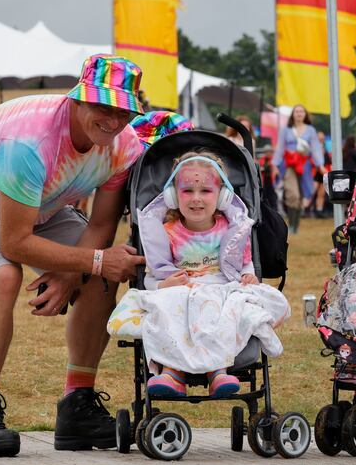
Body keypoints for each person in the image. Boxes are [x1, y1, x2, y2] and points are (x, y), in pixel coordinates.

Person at [0, 54, 147, 457]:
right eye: (103, 107)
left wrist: (76, 272)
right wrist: (88, 261)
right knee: (3, 275)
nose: (113, 120)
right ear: (78, 100)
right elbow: (15, 243)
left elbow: (99, 228)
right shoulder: (31, 139)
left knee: (103, 275)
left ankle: (78, 406)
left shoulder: (123, 147)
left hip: (36, 203)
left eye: (124, 111)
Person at [107, 151, 290, 397]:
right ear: (172, 196)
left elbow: (243, 263)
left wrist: (248, 276)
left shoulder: (232, 231)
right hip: (182, 291)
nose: (196, 199)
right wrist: (164, 285)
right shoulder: (166, 233)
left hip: (220, 287)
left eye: (205, 191)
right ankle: (172, 372)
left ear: (223, 196)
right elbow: (153, 274)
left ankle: (217, 370)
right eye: (187, 191)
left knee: (222, 308)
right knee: (168, 305)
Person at [271, 104, 324, 234]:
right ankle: (291, 225)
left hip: (304, 165)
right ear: (293, 114)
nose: (299, 114)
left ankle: (296, 226)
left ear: (305, 114)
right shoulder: (286, 130)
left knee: (302, 195)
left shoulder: (310, 130)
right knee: (292, 194)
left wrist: (320, 165)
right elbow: (280, 147)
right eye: (296, 111)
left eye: (301, 112)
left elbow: (316, 148)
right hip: (288, 165)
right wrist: (275, 164)